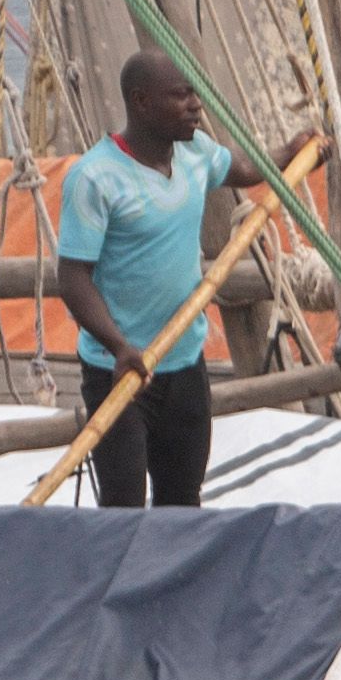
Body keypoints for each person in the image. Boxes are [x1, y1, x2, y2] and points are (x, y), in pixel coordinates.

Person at [50, 51, 260, 507]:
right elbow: (73, 279)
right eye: (180, 96)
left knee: (182, 500)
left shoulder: (196, 151)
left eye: (194, 94)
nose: (195, 106)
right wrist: (119, 345)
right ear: (141, 102)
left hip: (183, 363)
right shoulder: (94, 178)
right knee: (123, 506)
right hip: (120, 371)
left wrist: (298, 150)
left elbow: (243, 170)